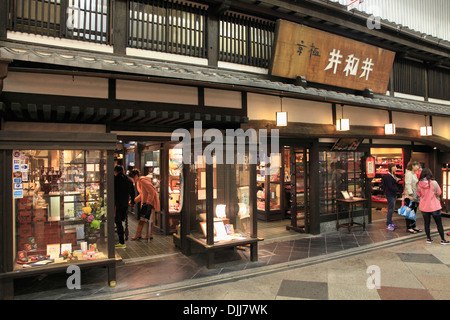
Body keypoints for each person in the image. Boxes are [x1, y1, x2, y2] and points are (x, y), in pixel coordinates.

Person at [416, 168, 449, 245]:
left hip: (424, 207)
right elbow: (439, 192)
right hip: (434, 206)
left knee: (426, 223)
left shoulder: (418, 184)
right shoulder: (434, 183)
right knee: (439, 223)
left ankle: (428, 238)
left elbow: (418, 194)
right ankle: (443, 240)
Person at [129, 169, 160, 241]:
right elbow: (142, 194)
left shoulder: (143, 181)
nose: (132, 180)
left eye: (132, 178)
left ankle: (146, 234)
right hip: (147, 203)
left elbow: (152, 191)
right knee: (144, 218)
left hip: (149, 203)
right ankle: (142, 234)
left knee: (147, 219)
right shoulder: (140, 181)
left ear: (136, 176)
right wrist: (134, 201)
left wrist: (148, 202)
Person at [114, 166, 135, 249]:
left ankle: (121, 242)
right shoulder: (129, 180)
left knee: (118, 221)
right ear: (123, 171)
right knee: (122, 221)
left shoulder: (115, 179)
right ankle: (122, 240)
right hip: (125, 204)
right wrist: (132, 201)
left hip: (116, 204)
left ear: (115, 172)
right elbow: (133, 192)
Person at [403, 160, 422, 234]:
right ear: (412, 166)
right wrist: (410, 195)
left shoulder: (413, 173)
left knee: (414, 211)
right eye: (416, 165)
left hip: (414, 194)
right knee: (409, 211)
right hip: (410, 195)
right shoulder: (409, 174)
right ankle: (409, 227)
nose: (418, 167)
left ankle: (413, 226)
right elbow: (408, 184)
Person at [382, 163, 400, 231]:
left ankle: (390, 222)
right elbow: (390, 186)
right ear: (391, 168)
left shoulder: (393, 175)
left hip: (393, 194)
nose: (396, 168)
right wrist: (398, 190)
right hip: (390, 194)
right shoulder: (388, 176)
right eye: (394, 167)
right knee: (391, 209)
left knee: (392, 208)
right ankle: (388, 224)